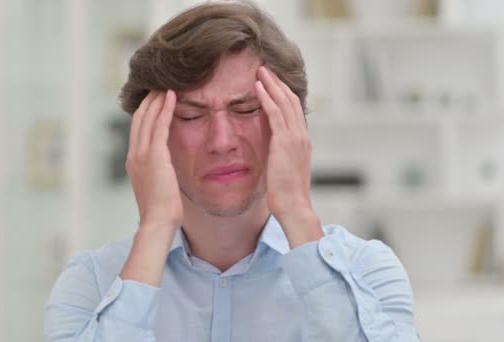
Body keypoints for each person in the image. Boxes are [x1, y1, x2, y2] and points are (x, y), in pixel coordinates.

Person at [45, 1, 419, 341]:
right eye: (191, 115)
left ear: (289, 125)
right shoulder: (91, 284)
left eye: (245, 110)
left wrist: (298, 212)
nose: (222, 141)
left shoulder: (368, 271)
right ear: (150, 136)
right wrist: (156, 226)